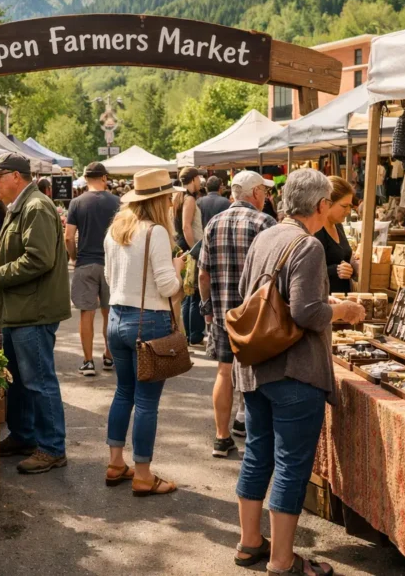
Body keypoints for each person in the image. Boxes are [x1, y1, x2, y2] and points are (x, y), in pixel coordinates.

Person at [233, 168, 364, 574]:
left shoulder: (266, 236)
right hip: (294, 371)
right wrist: (343, 310)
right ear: (322, 205)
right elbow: (308, 312)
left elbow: (244, 294)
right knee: (291, 464)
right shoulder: (307, 245)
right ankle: (282, 561)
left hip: (257, 367)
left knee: (258, 454)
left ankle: (250, 542)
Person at [0, 153, 71, 474]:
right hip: (20, 309)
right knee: (19, 381)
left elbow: (39, 259)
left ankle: (52, 447)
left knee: (38, 381)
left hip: (34, 311)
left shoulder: (36, 207)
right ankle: (24, 436)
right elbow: (22, 254)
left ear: (15, 176)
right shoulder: (23, 206)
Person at [103, 168, 186, 496]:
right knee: (147, 401)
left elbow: (111, 279)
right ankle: (143, 474)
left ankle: (114, 463)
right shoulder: (156, 233)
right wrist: (179, 273)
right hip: (148, 322)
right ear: (159, 201)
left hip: (116, 319)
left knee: (123, 392)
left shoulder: (115, 231)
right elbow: (167, 285)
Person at [198, 171, 276, 458]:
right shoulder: (264, 222)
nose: (267, 197)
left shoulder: (213, 223)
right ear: (255, 193)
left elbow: (203, 274)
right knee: (257, 372)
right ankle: (251, 432)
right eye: (264, 192)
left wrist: (207, 308)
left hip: (222, 311)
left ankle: (221, 437)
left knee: (224, 371)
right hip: (255, 312)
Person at [65, 162, 120, 376]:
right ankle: (109, 356)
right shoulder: (117, 202)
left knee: (86, 313)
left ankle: (88, 361)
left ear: (86, 179)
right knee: (110, 313)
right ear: (104, 178)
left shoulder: (76, 203)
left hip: (85, 263)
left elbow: (69, 237)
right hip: (111, 264)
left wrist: (74, 257)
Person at [174, 167, 205, 346]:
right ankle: (192, 335)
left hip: (182, 247)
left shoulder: (179, 196)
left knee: (187, 295)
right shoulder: (189, 199)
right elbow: (186, 226)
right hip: (190, 249)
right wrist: (195, 249)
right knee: (193, 295)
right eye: (198, 178)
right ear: (193, 180)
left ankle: (186, 336)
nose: (200, 182)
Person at [316, 176, 356, 295]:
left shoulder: (338, 226)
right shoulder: (316, 230)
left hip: (343, 297)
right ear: (327, 203)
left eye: (350, 206)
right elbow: (308, 271)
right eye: (344, 206)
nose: (348, 211)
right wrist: (335, 270)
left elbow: (343, 257)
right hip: (325, 300)